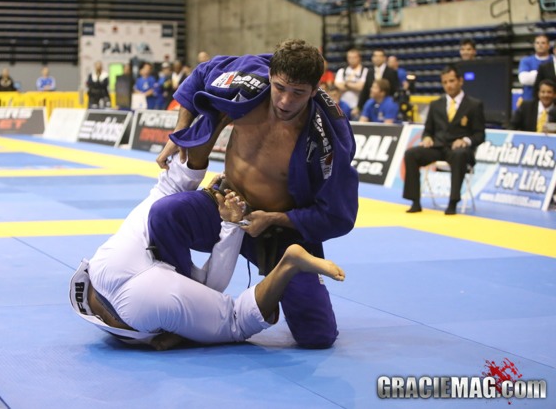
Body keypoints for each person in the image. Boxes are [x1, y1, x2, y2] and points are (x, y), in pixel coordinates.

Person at [151, 39, 359, 349]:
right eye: (280, 88)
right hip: (225, 204)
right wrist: (181, 132)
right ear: (271, 76)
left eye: (298, 93)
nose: (285, 101)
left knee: (318, 336)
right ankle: (181, 312)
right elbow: (201, 74)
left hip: (280, 231)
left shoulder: (328, 137)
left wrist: (275, 218)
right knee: (166, 214)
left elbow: (339, 215)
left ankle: (277, 284)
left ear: (315, 90)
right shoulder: (249, 79)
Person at [69, 158, 345, 350]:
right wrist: (231, 225)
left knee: (231, 317)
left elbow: (208, 287)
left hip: (108, 290)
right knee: (164, 199)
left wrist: (229, 223)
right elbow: (168, 186)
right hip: (112, 270)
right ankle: (287, 261)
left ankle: (287, 263)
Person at [403, 64, 485, 215]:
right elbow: (428, 130)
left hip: (459, 150)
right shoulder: (436, 104)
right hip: (438, 147)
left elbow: (480, 135)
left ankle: (453, 202)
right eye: (445, 82)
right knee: (411, 154)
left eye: (452, 81)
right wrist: (427, 138)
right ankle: (415, 201)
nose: (448, 85)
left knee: (459, 155)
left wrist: (466, 140)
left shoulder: (474, 105)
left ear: (460, 81)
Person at [358, 48, 400, 113]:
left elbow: (395, 89)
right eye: (375, 56)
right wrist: (359, 106)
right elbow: (365, 90)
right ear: (372, 58)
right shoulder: (370, 72)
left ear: (384, 58)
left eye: (380, 56)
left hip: (386, 105)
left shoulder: (391, 72)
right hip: (372, 104)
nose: (377, 58)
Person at [334, 48, 368, 120]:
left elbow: (361, 87)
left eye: (354, 57)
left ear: (359, 58)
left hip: (357, 107)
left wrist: (346, 83)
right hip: (342, 106)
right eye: (350, 57)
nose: (352, 59)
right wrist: (354, 85)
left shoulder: (365, 71)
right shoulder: (341, 71)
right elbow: (338, 86)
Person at [517, 34, 551, 102]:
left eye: (543, 43)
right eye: (537, 43)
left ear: (548, 45)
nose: (540, 45)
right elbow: (524, 79)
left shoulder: (554, 60)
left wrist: (533, 74)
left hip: (550, 101)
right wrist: (547, 75)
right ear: (534, 45)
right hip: (529, 99)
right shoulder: (526, 61)